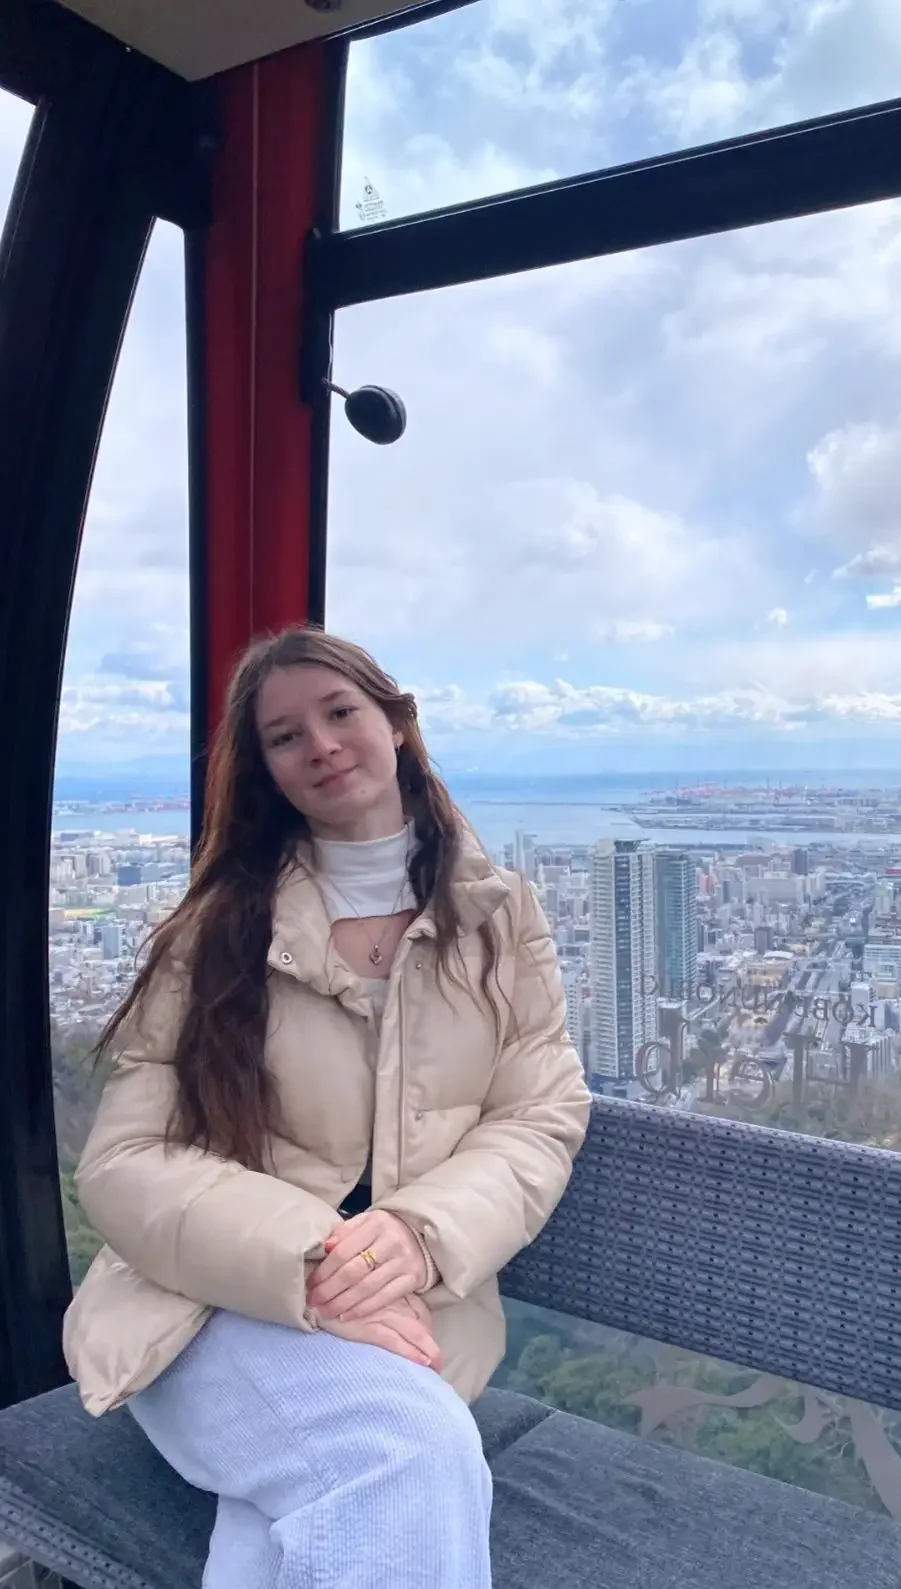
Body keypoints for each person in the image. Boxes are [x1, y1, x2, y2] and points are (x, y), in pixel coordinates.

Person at [63, 626, 592, 1589]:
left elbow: (540, 1113)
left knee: (313, 1512)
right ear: (266, 771)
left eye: (341, 711)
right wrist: (310, 1258)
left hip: (409, 1310)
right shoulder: (219, 929)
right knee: (406, 1453)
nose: (321, 744)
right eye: (284, 736)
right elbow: (124, 1158)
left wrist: (421, 1233)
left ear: (395, 723)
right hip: (201, 1304)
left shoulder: (499, 917)